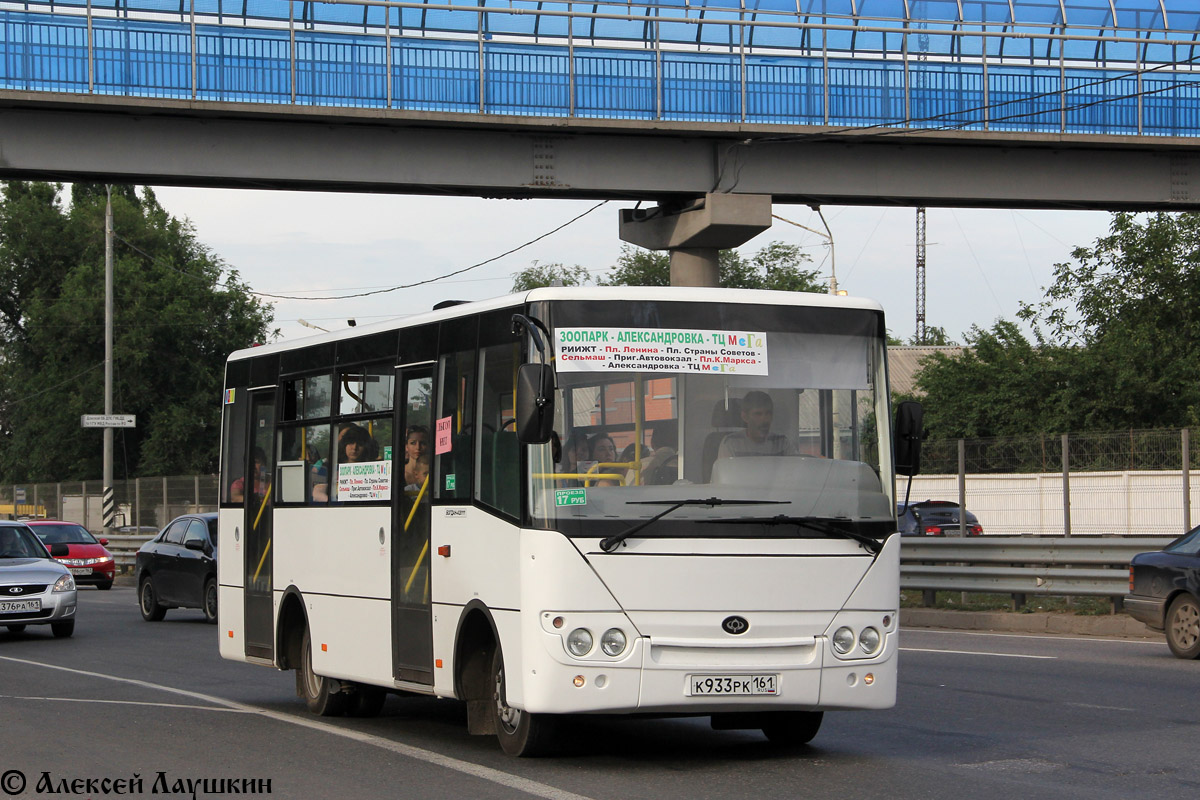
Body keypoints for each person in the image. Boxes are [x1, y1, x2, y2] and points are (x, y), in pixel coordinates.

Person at [717, 391, 796, 459]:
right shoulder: (731, 443)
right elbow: (727, 475)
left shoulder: (782, 443)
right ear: (745, 417)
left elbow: (795, 472)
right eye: (758, 414)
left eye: (768, 413)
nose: (764, 419)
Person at [312, 423, 376, 502]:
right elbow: (317, 492)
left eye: (360, 444)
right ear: (344, 445)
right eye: (351, 442)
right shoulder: (329, 467)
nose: (354, 448)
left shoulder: (373, 469)